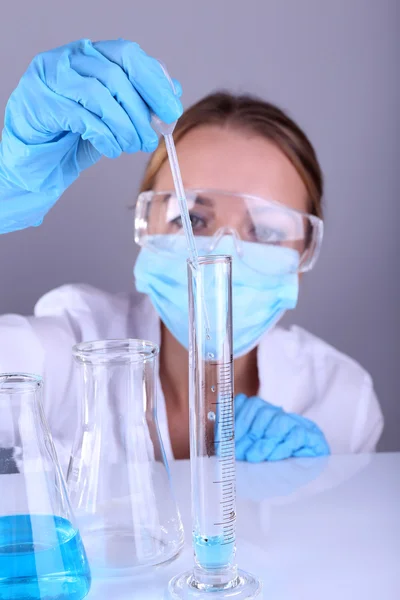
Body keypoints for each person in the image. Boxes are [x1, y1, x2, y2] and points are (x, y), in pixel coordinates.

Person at [0, 39, 383, 463]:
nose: (223, 256)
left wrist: (320, 495)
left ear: (304, 254)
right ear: (145, 226)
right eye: (193, 220)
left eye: (268, 232)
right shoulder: (73, 354)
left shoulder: (339, 401)